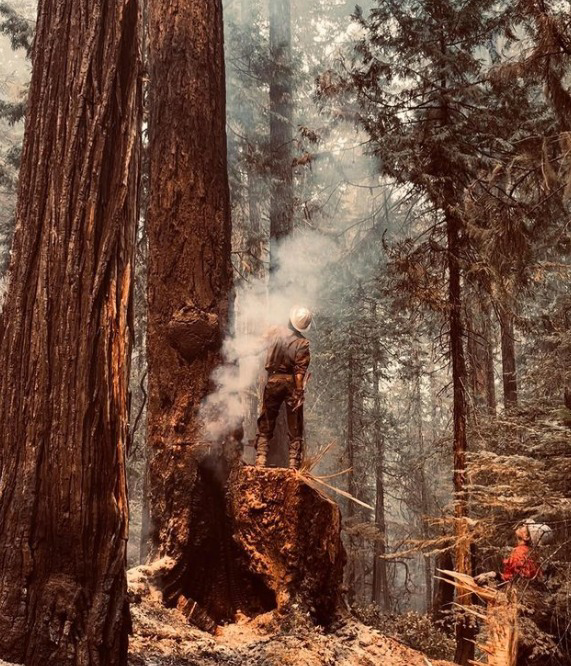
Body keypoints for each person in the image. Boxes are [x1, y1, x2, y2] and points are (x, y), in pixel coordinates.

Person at [254, 305, 312, 470]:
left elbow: (257, 346)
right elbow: (300, 372)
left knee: (266, 419)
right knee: (295, 423)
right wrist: (299, 392)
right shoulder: (302, 343)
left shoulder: (275, 333)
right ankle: (294, 464)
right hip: (291, 384)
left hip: (273, 381)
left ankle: (260, 459)